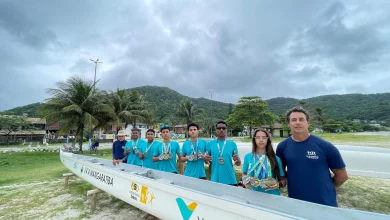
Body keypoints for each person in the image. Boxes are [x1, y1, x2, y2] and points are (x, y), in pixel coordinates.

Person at [276, 106, 348, 207]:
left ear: (308, 123)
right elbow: (280, 172)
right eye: (294, 120)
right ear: (288, 124)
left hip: (324, 202)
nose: (298, 122)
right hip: (296, 201)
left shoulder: (325, 146)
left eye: (301, 119)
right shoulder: (282, 147)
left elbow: (342, 176)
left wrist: (327, 189)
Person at [240, 129, 286, 195]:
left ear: (268, 140)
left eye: (264, 138)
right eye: (258, 137)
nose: (261, 140)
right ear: (254, 140)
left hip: (272, 195)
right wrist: (245, 180)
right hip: (253, 194)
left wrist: (278, 185)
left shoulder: (276, 159)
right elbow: (244, 173)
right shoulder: (248, 157)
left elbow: (283, 180)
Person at [204, 121, 241, 186]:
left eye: (223, 128)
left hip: (230, 179)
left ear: (226, 130)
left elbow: (238, 164)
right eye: (219, 128)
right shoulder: (210, 144)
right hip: (215, 179)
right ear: (216, 130)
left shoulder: (232, 144)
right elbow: (207, 162)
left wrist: (238, 160)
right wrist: (205, 159)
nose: (221, 130)